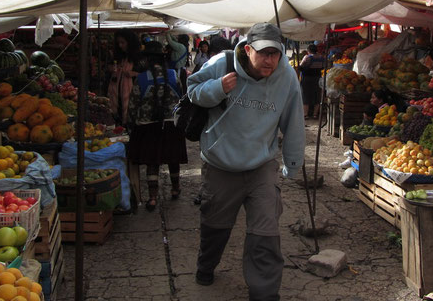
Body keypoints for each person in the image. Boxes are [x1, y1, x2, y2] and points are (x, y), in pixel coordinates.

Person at [187, 23, 305, 300]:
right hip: (220, 165)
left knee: (266, 232)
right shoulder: (222, 62)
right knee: (215, 227)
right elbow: (192, 88)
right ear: (248, 49)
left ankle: (264, 293)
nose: (270, 60)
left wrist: (293, 162)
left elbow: (294, 120)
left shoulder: (287, 76)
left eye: (275, 54)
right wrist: (217, 88)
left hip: (261, 166)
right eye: (263, 53)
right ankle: (206, 266)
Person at [127, 41, 187, 211]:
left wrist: (129, 123)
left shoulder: (141, 78)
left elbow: (133, 104)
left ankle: (152, 198)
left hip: (148, 126)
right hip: (171, 125)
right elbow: (181, 98)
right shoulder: (174, 75)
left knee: (152, 161)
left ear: (147, 60)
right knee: (173, 157)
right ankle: (175, 188)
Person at [107, 30, 140, 125]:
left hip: (132, 97)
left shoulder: (139, 58)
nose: (120, 45)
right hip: (116, 96)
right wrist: (111, 69)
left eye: (123, 42)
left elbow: (146, 75)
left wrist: (134, 74)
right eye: (118, 43)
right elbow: (109, 70)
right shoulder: (118, 57)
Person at [298, 44, 326, 119]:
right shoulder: (321, 57)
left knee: (305, 95)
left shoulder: (307, 57)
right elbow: (323, 67)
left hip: (307, 79)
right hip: (317, 78)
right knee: (316, 95)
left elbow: (301, 67)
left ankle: (305, 114)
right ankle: (315, 114)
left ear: (309, 51)